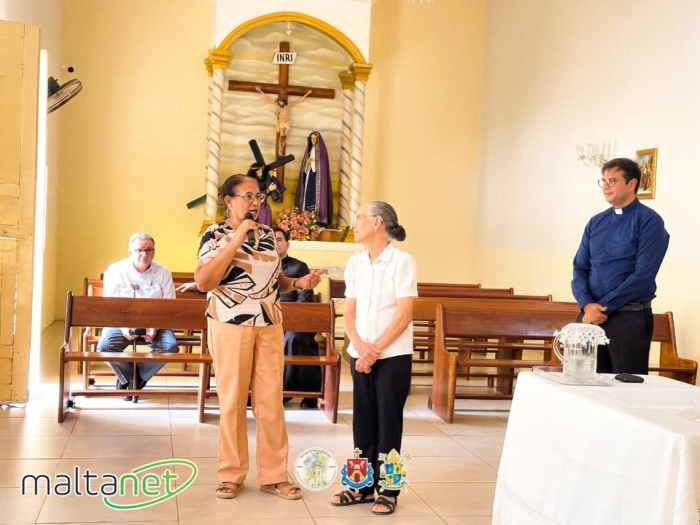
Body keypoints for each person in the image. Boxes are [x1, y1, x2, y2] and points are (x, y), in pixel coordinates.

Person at [194, 174, 324, 501]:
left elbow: (275, 281)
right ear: (229, 200)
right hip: (229, 324)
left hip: (268, 323)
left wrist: (299, 283)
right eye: (248, 196)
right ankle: (231, 474)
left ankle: (275, 476)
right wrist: (236, 238)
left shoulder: (267, 234)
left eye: (259, 197)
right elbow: (205, 282)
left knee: (270, 403)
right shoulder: (213, 235)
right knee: (233, 401)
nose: (255, 202)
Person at [329, 201, 417, 516]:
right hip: (360, 353)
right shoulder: (355, 263)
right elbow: (349, 312)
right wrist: (359, 345)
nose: (353, 223)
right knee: (363, 424)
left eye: (359, 217)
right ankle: (360, 486)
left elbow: (404, 314)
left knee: (389, 424)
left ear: (377, 222)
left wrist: (374, 349)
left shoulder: (402, 261)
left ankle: (389, 490)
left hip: (393, 355)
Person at [572, 157, 670, 374]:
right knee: (583, 381)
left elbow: (643, 275)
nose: (606, 186)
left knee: (626, 385)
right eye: (603, 181)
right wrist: (586, 304)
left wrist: (602, 307)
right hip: (591, 316)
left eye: (612, 181)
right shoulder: (596, 222)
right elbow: (580, 267)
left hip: (628, 317)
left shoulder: (649, 221)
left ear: (631, 183)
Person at [97, 233, 179, 401]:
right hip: (120, 321)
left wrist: (155, 325)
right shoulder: (116, 270)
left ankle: (135, 377)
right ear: (130, 252)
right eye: (139, 250)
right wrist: (123, 326)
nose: (144, 254)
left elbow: (169, 304)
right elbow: (109, 305)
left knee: (170, 347)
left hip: (155, 322)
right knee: (105, 346)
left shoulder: (163, 272)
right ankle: (130, 377)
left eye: (149, 250)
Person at [274, 227, 322, 409]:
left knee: (295, 337)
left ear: (287, 244)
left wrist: (291, 318)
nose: (275, 243)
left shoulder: (298, 266)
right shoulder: (261, 265)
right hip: (268, 319)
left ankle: (308, 392)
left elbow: (305, 297)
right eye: (271, 240)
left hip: (294, 320)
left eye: (279, 239)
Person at [255, 87, 312, 155]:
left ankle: (281, 148)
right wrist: (260, 90)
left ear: (283, 101)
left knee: (285, 136)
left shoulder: (288, 106)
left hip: (287, 122)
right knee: (281, 136)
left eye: (280, 102)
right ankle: (280, 149)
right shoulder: (278, 106)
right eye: (279, 103)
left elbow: (299, 100)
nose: (280, 104)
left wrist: (307, 94)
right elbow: (268, 98)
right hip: (281, 122)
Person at [295, 131, 333, 228]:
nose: (313, 140)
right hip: (309, 175)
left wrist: (311, 163)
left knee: (314, 197)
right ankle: (306, 217)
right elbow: (305, 166)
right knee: (307, 195)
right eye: (312, 138)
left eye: (315, 139)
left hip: (317, 179)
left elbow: (322, 164)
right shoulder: (309, 149)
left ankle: (316, 219)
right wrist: (307, 163)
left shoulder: (322, 151)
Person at [246, 163, 285, 228]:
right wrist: (268, 190)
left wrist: (274, 172)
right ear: (254, 171)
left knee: (265, 227)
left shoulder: (262, 180)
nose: (261, 173)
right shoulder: (249, 182)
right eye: (259, 171)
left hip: (264, 207)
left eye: (261, 171)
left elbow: (272, 185)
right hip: (253, 207)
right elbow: (253, 194)